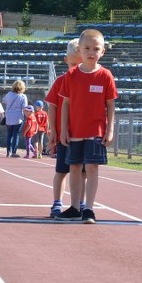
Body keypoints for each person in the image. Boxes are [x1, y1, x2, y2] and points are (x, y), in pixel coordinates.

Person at [56, 29, 117, 224]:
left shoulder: (105, 76)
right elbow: (65, 104)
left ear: (103, 52)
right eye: (87, 48)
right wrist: (63, 129)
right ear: (79, 50)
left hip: (95, 131)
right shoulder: (71, 75)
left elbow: (110, 105)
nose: (91, 52)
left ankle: (88, 208)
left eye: (96, 49)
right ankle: (74, 207)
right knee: (74, 167)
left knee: (91, 168)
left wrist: (110, 129)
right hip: (75, 131)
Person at [46, 38, 83, 218]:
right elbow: (52, 107)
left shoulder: (87, 82)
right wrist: (53, 131)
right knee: (61, 171)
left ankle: (80, 203)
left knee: (82, 172)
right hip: (64, 136)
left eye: (80, 64)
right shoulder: (61, 81)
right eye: (73, 64)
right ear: (66, 60)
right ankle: (57, 203)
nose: (76, 68)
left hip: (83, 135)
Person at [3, 80, 28, 158]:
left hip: (9, 116)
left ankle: (8, 151)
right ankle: (14, 152)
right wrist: (28, 116)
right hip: (18, 117)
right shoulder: (23, 96)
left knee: (9, 134)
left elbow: (4, 100)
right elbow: (24, 108)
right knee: (15, 135)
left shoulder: (9, 94)